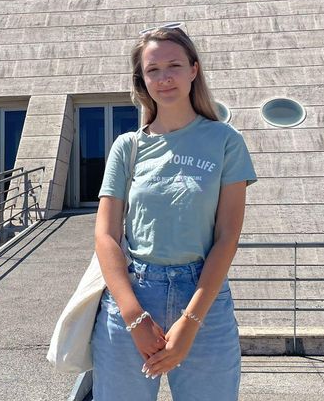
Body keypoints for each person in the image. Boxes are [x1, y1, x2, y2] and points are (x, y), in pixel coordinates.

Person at [91, 23, 257, 400]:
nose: (164, 78)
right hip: (133, 292)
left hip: (203, 296)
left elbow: (227, 237)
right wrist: (133, 317)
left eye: (174, 66)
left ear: (194, 70)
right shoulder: (127, 147)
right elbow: (105, 235)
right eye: (153, 70)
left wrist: (192, 320)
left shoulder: (225, 141)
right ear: (142, 79)